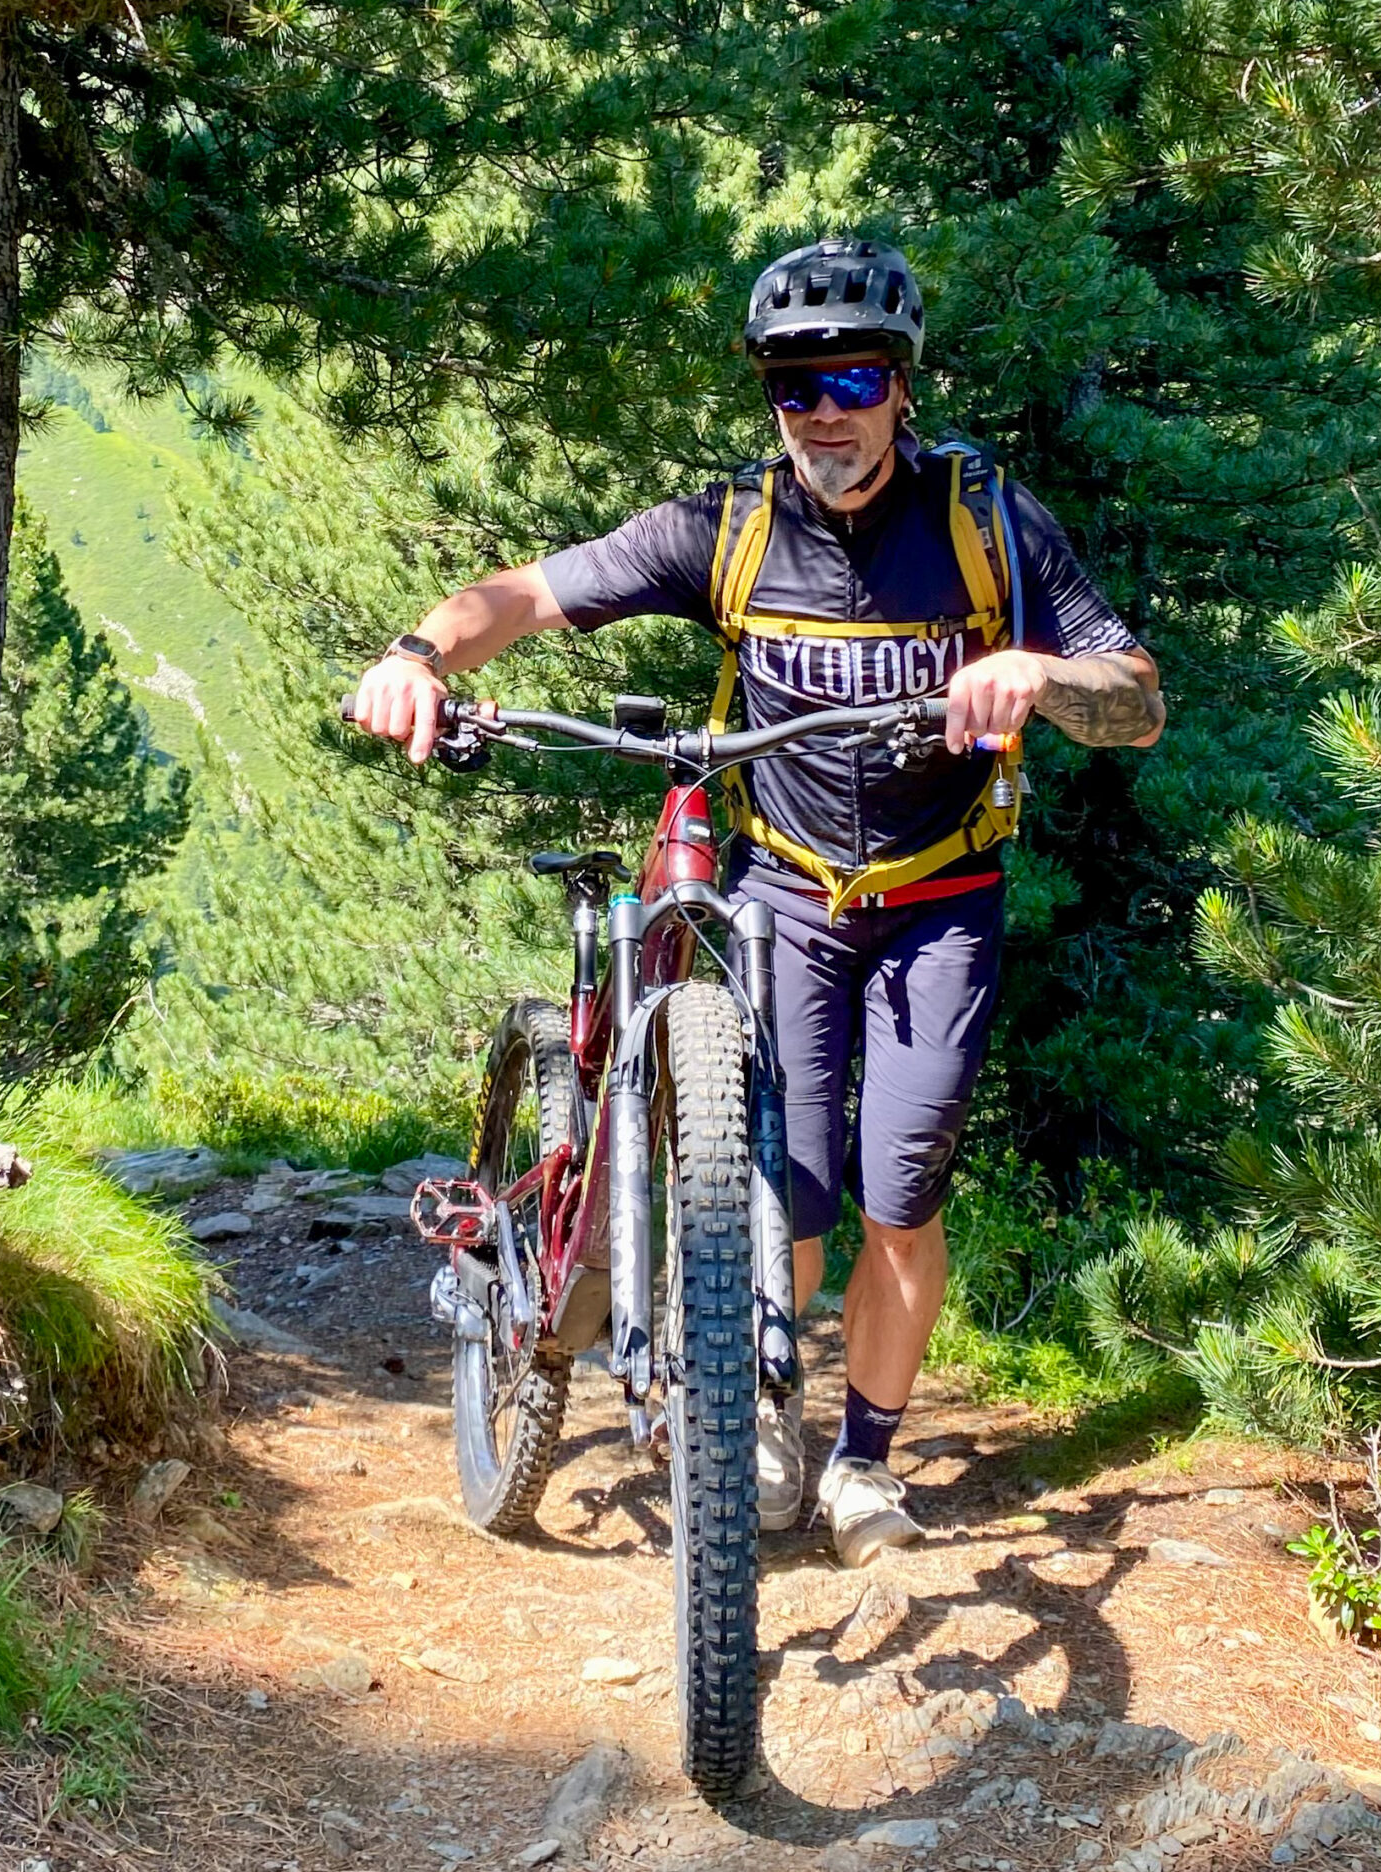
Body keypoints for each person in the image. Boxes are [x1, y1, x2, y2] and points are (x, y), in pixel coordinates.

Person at [350, 238, 1165, 1566]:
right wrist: (416, 657)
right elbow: (527, 595)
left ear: (903, 385)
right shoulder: (728, 528)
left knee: (901, 1197)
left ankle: (866, 1464)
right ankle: (763, 1410)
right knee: (787, 1193)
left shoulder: (988, 522)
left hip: (942, 899)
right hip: (785, 890)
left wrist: (1039, 676)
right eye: (796, 386)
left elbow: (1135, 700)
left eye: (853, 380)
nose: (825, 413)